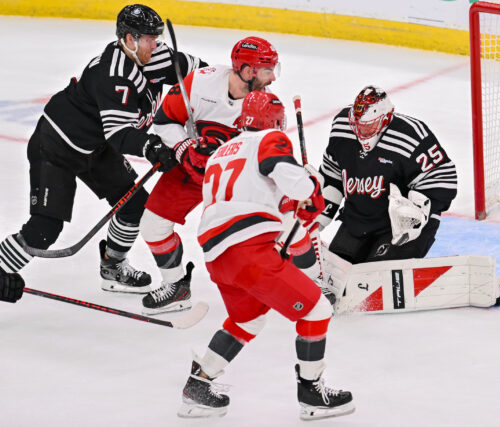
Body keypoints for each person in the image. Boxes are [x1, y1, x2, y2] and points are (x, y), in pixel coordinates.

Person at [0, 4, 206, 294]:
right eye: (149, 39)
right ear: (130, 39)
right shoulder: (114, 74)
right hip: (57, 147)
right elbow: (120, 134)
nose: (155, 44)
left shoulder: (155, 55)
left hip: (97, 146)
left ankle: (113, 266)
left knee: (134, 206)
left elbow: (204, 75)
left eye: (156, 38)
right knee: (45, 229)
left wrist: (234, 89)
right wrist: (151, 146)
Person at [176, 91, 354, 420]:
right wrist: (310, 185)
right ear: (274, 121)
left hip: (216, 256)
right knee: (317, 310)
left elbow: (261, 198)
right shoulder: (269, 139)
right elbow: (295, 185)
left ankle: (198, 386)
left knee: (247, 320)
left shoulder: (220, 153)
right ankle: (312, 394)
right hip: (248, 250)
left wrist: (298, 199)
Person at [139, 37, 280, 314]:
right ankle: (176, 286)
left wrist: (221, 158)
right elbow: (165, 121)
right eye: (267, 70)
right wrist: (184, 149)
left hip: (233, 180)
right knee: (152, 225)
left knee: (244, 237)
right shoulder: (200, 82)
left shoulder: (267, 104)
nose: (273, 78)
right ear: (247, 70)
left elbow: (264, 156)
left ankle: (281, 282)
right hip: (190, 169)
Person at [316, 85, 458, 265]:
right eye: (357, 125)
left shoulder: (411, 135)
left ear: (385, 119)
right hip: (358, 222)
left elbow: (444, 178)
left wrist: (415, 210)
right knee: (335, 275)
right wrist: (316, 216)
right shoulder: (342, 128)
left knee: (376, 278)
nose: (361, 132)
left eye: (368, 126)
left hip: (400, 228)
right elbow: (332, 174)